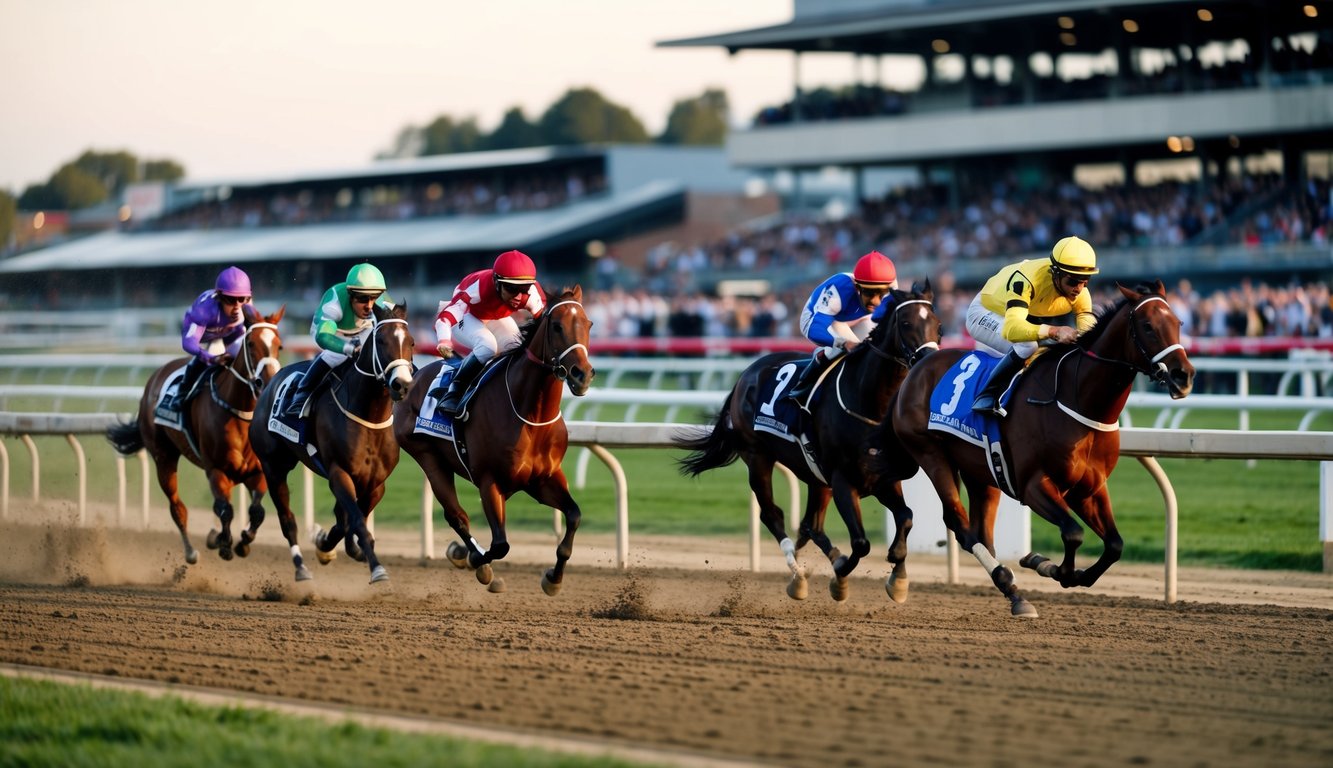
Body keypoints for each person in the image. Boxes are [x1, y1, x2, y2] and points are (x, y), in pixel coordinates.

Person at [967, 235, 1099, 417]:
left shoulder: (1080, 291)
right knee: (1027, 345)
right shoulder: (1025, 280)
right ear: (1056, 272)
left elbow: (1088, 338)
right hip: (984, 312)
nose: (1079, 288)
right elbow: (1011, 329)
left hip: (1023, 316)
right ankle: (987, 396)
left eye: (1086, 280)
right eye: (1073, 281)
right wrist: (1053, 331)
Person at [429, 249, 547, 416]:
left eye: (525, 288)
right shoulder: (476, 289)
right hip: (468, 314)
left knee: (515, 347)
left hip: (495, 316)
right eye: (512, 288)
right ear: (497, 282)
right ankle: (454, 391)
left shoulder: (532, 295)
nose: (519, 296)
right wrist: (444, 340)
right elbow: (444, 319)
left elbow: (545, 327)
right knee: (487, 346)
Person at [785, 251, 898, 406]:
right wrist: (841, 343)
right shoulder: (839, 289)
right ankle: (805, 387)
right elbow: (815, 328)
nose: (876, 301)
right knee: (848, 349)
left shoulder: (892, 288)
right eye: (869, 293)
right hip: (823, 320)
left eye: (881, 294)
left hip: (859, 318)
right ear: (857, 287)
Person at [283, 262, 395, 418]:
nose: (369, 306)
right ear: (351, 295)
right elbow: (323, 336)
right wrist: (348, 348)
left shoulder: (384, 303)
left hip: (363, 329)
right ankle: (300, 396)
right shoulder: (335, 301)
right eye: (363, 299)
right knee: (335, 356)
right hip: (333, 331)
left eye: (374, 298)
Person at [173, 266, 253, 410]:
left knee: (246, 358)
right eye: (230, 300)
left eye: (241, 299)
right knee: (205, 359)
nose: (236, 306)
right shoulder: (205, 310)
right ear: (219, 297)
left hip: (231, 333)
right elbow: (189, 343)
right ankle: (182, 393)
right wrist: (210, 357)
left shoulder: (248, 306)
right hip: (203, 334)